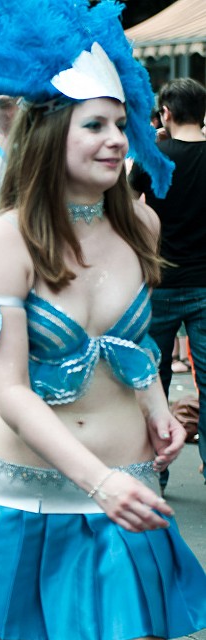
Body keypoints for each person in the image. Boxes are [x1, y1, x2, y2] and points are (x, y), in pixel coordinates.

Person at [0, 0, 206, 640]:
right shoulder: (7, 240)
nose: (116, 138)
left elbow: (132, 343)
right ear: (52, 132)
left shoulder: (142, 224)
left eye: (121, 123)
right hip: (22, 498)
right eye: (95, 125)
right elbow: (10, 388)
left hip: (127, 491)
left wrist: (157, 404)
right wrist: (98, 480)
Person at [130, 77, 206, 488]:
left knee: (151, 378)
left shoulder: (153, 156)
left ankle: (152, 471)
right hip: (205, 286)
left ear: (167, 113)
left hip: (158, 281)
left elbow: (125, 207)